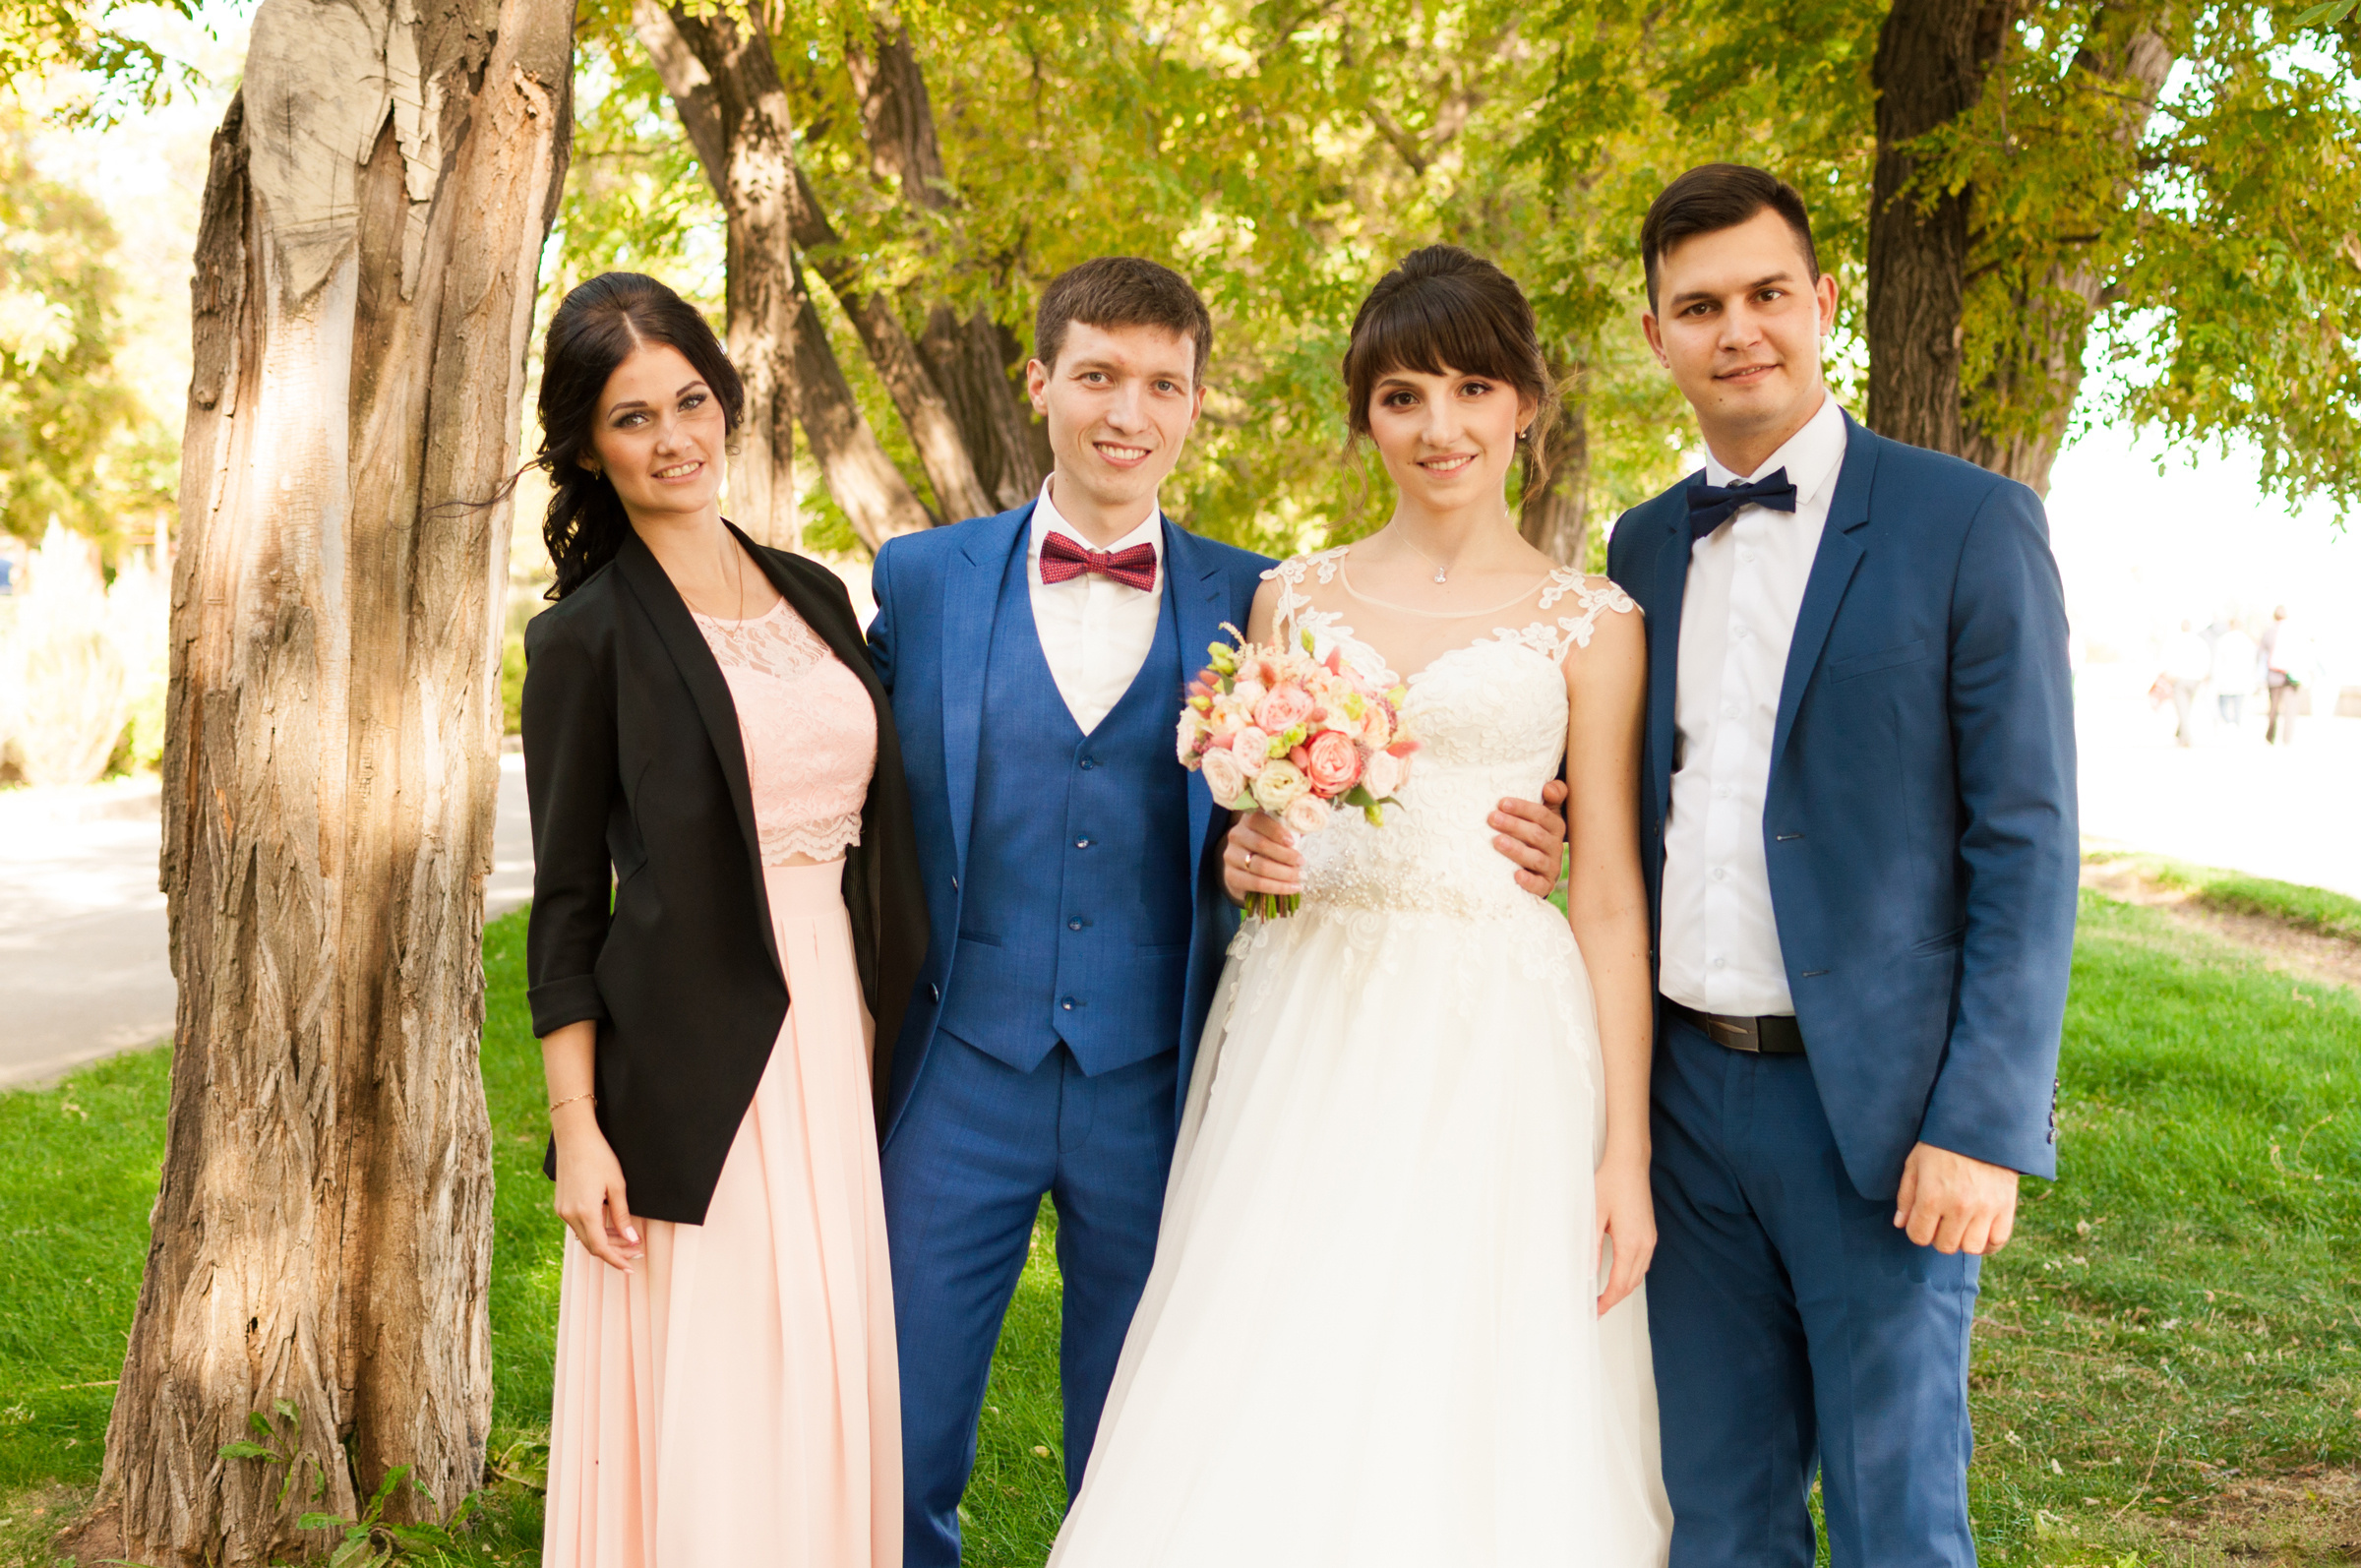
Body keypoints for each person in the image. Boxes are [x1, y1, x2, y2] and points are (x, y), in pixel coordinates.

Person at [867, 256, 1574, 1567]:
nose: (1125, 411)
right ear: (1039, 384)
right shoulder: (920, 579)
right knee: (897, 1426)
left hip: (1165, 1077)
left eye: (1161, 384)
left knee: (1151, 1441)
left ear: (1195, 406)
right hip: (958, 1060)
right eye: (1096, 376)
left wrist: (1557, 806)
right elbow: (831, 765)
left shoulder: (1254, 596)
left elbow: (1380, 745)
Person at [1048, 246, 1671, 1566]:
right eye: (1401, 395)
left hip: (1498, 1027)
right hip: (1307, 1012)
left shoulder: (1595, 620)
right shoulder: (1294, 594)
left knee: (1475, 1362)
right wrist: (1248, 852)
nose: (1438, 427)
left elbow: (1609, 896)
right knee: (1279, 1331)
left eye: (1469, 388)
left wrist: (1625, 1151)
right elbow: (1257, 814)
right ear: (1364, 414)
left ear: (1524, 405)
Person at [1604, 165, 2077, 1568]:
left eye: (1764, 294)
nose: (1736, 329)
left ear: (1822, 303)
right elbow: (1655, 798)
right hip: (1686, 1099)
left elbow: (2028, 839)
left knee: (1897, 1515)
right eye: (1699, 306)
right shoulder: (1640, 544)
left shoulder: (1967, 523)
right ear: (1657, 338)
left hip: (1878, 1109)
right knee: (1720, 1509)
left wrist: (1985, 1119)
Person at [520, 272, 928, 1567]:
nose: (674, 437)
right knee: (724, 1378)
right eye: (633, 418)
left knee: (821, 1357)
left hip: (835, 1036)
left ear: (726, 397)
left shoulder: (815, 591)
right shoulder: (585, 638)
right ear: (588, 445)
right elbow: (569, 903)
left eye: (691, 399)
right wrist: (578, 1132)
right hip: (695, 1057)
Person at [2163, 619, 2210, 747]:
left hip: (2180, 679)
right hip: (2195, 679)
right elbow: (2206, 659)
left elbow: (2167, 660)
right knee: (2186, 708)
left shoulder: (2175, 641)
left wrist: (2168, 674)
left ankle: (2186, 737)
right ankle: (2180, 734)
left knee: (2183, 709)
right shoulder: (2199, 642)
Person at [2264, 604, 2306, 745]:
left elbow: (2262, 655)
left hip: (2274, 675)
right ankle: (2287, 739)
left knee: (2274, 708)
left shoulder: (2270, 631)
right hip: (2292, 675)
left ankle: (2271, 737)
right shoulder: (2295, 631)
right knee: (2290, 709)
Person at [2211, 618, 2258, 730]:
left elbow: (2217, 662)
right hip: (2241, 680)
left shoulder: (2223, 640)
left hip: (2225, 680)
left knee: (2223, 706)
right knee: (2238, 707)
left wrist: (2214, 678)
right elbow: (2252, 662)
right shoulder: (2247, 641)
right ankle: (2235, 725)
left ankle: (2229, 723)